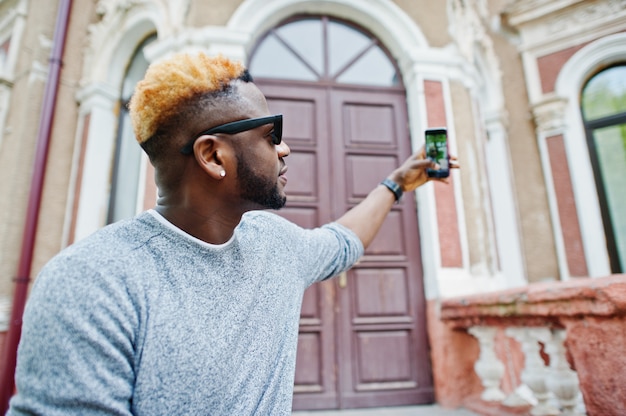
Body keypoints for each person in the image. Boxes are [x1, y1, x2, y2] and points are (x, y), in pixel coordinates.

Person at [7, 52, 456, 415]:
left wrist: (397, 183)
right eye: (270, 133)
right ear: (213, 156)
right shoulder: (92, 283)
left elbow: (342, 242)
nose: (285, 148)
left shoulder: (273, 242)